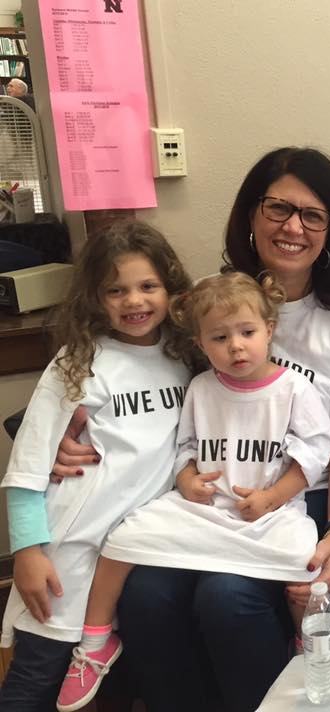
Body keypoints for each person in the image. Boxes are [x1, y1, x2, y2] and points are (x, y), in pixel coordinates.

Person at [51, 147, 330, 711]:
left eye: (313, 215)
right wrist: (72, 425)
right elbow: (133, 368)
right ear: (251, 216)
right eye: (278, 208)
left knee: (226, 598)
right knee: (150, 594)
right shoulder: (204, 302)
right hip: (201, 496)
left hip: (289, 499)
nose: (293, 227)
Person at [55, 271, 330, 711]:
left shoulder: (295, 389)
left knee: (304, 564)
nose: (236, 346)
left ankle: (307, 642)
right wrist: (186, 480)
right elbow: (184, 448)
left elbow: (313, 456)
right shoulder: (202, 388)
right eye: (220, 338)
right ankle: (94, 643)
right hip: (202, 510)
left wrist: (273, 496)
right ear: (201, 344)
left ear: (269, 330)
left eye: (247, 332)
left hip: (266, 514)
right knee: (125, 537)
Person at [0, 221, 193, 712]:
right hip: (70, 550)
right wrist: (27, 550)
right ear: (95, 297)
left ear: (171, 288)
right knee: (37, 675)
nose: (134, 301)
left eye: (148, 286)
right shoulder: (79, 361)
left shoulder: (185, 359)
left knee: (113, 686)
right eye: (116, 289)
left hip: (138, 552)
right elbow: (29, 461)